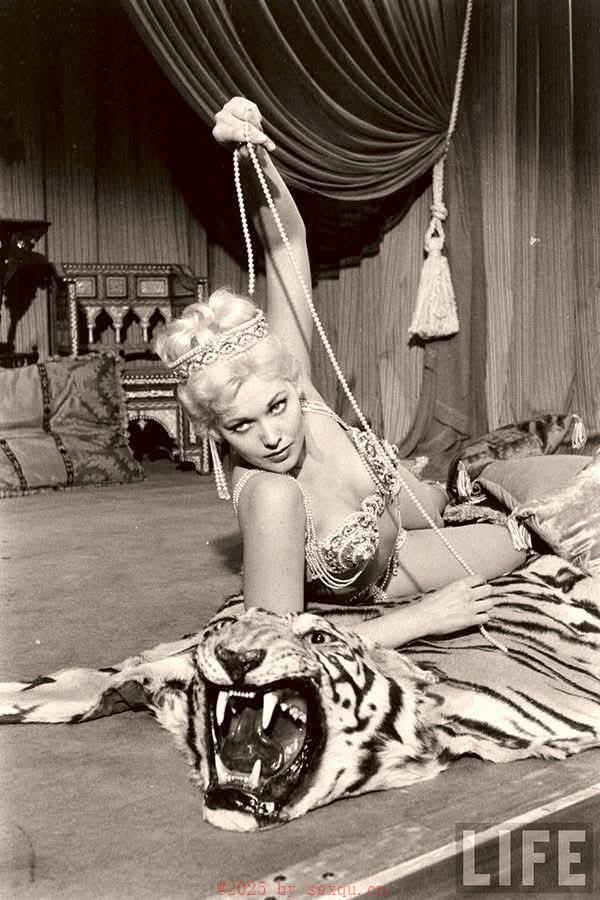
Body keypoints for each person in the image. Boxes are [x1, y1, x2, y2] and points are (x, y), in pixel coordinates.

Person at [155, 97, 525, 649]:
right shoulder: (271, 495)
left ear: (291, 380)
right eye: (241, 425)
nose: (272, 436)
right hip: (386, 575)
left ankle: (454, 486)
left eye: (277, 406)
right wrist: (424, 619)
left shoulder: (295, 382)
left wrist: (256, 154)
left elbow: (286, 242)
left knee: (525, 527)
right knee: (517, 538)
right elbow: (273, 648)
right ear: (215, 431)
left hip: (406, 513)